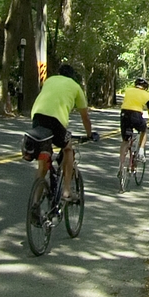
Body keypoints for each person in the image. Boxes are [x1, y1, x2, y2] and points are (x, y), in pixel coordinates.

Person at [30, 63, 99, 202]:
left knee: (43, 163)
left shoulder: (49, 80)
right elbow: (85, 117)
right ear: (72, 77)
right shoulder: (75, 87)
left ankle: (35, 203)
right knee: (68, 149)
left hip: (37, 118)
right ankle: (66, 191)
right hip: (56, 121)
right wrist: (90, 134)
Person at [118, 77, 149, 179]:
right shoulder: (147, 95)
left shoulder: (128, 91)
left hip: (124, 114)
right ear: (145, 87)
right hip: (136, 115)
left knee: (125, 141)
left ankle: (121, 166)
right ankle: (141, 152)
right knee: (144, 130)